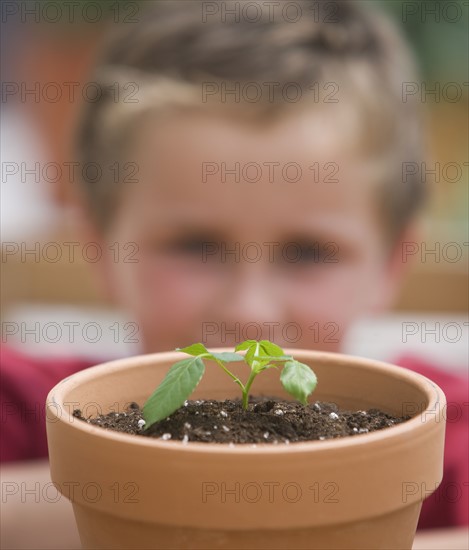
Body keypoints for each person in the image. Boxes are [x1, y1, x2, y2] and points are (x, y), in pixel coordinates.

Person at [1, 1, 467, 547]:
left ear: (392, 263)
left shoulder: (439, 431)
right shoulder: (28, 407)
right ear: (101, 250)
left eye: (308, 253)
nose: (249, 311)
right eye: (196, 246)